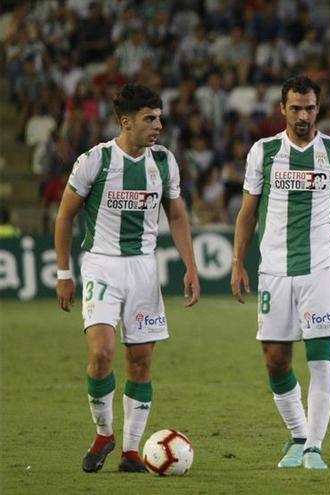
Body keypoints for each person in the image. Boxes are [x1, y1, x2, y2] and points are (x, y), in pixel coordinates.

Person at [54, 84, 201, 473]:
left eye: (159, 118)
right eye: (149, 119)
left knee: (140, 360)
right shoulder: (95, 161)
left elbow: (178, 215)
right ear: (126, 122)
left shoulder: (165, 162)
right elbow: (65, 216)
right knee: (101, 353)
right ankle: (104, 433)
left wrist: (190, 265)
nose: (158, 125)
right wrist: (64, 272)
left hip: (143, 269)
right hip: (101, 264)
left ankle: (132, 452)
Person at [230, 76, 330, 470]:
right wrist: (238, 261)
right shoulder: (264, 151)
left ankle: (314, 446)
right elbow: (247, 212)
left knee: (320, 354)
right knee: (275, 359)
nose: (303, 115)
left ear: (318, 109)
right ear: (283, 109)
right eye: (296, 108)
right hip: (273, 269)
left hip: (321, 267)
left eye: (310, 108)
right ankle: (297, 435)